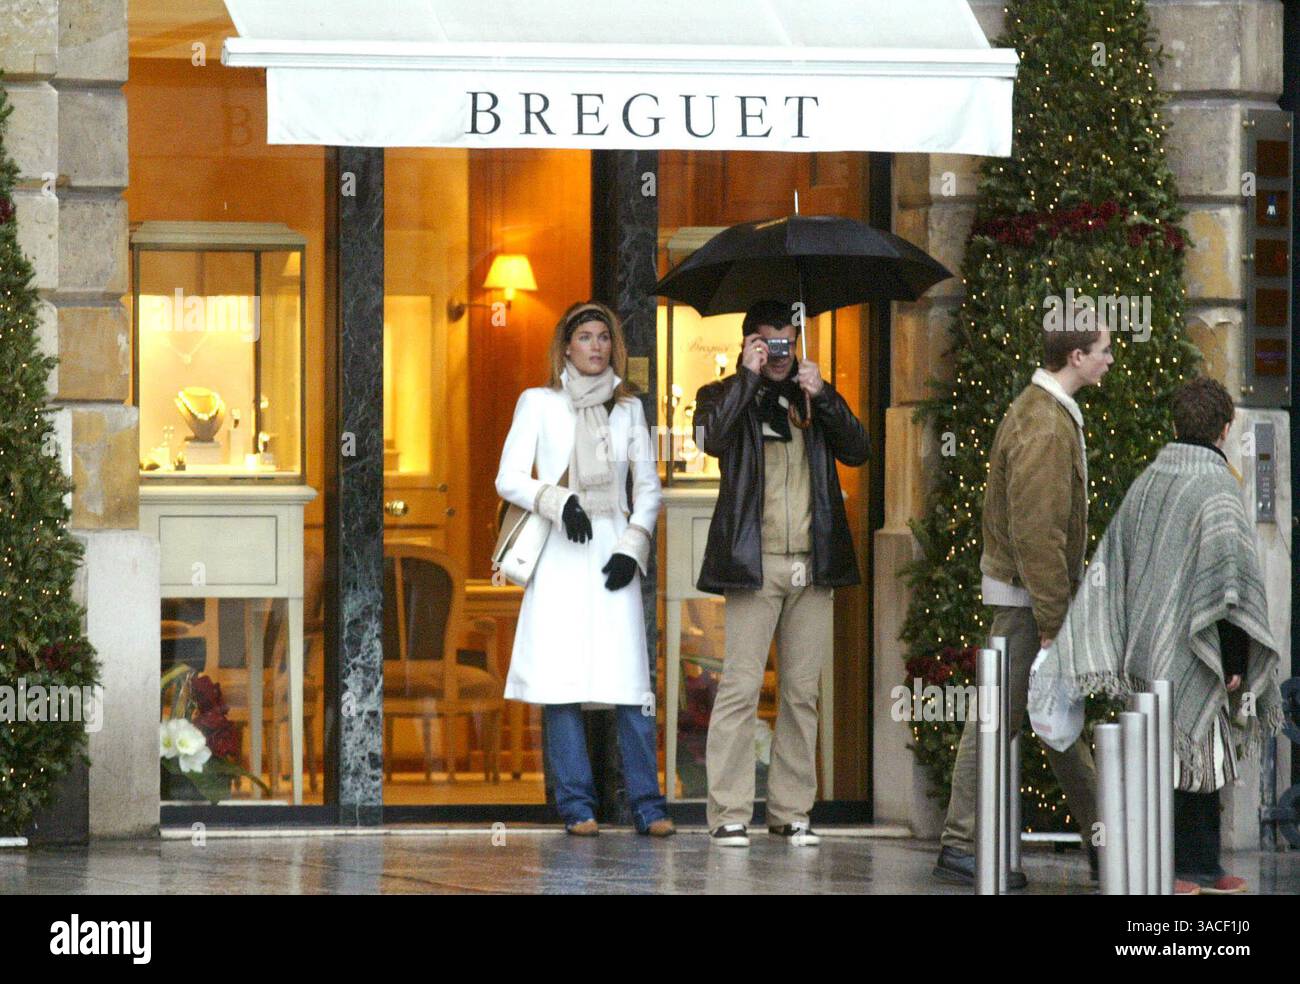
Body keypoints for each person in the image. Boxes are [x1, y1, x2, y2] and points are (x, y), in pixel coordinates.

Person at [1029, 376, 1282, 894]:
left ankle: (1191, 864)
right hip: (1201, 647)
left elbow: (1116, 563)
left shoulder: (1149, 480)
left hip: (1154, 648)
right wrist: (1236, 660)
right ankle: (1189, 865)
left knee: (1175, 758)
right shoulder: (1217, 488)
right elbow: (1232, 586)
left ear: (1175, 422)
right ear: (1226, 428)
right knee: (1200, 762)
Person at [934, 320, 1112, 886]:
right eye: (1104, 350)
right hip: (1029, 602)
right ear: (1077, 355)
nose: (1111, 359)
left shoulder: (1047, 414)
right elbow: (1038, 533)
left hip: (1028, 599)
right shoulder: (1045, 425)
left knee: (1046, 720)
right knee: (1003, 719)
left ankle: (1103, 838)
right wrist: (1056, 622)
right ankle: (962, 843)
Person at [694, 299, 869, 847]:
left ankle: (791, 810)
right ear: (749, 344)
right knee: (741, 689)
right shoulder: (722, 395)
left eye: (785, 341)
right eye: (765, 342)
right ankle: (728, 812)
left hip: (811, 564)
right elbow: (710, 440)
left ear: (798, 342)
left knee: (800, 692)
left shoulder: (813, 397)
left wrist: (828, 397)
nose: (777, 352)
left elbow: (860, 450)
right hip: (754, 563)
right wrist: (746, 380)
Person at [495, 301, 673, 837]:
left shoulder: (629, 411)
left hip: (612, 552)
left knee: (628, 682)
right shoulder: (539, 403)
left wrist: (631, 546)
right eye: (585, 338)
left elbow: (647, 489)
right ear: (566, 347)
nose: (595, 346)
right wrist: (556, 499)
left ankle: (647, 804)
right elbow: (508, 478)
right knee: (561, 679)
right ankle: (577, 806)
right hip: (560, 553)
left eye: (603, 338)